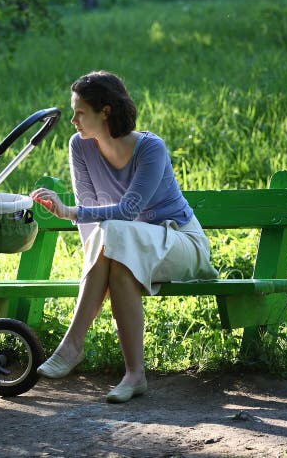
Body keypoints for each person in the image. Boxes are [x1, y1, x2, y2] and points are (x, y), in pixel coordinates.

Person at [30, 70, 218, 403]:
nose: (73, 120)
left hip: (180, 242)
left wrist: (67, 212)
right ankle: (135, 376)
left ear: (106, 111)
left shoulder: (151, 148)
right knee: (118, 261)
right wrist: (94, 257)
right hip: (126, 246)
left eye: (80, 112)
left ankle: (72, 345)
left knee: (117, 233)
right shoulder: (80, 146)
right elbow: (90, 209)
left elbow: (128, 210)